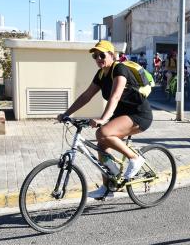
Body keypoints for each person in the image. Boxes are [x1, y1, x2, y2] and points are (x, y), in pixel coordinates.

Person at [57, 40, 152, 199]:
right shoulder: (101, 74)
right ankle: (108, 187)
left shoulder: (119, 69)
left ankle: (135, 159)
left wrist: (102, 119)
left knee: (103, 132)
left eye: (102, 54)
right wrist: (67, 114)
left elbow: (115, 97)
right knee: (101, 144)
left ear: (112, 55)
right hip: (121, 115)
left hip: (139, 114)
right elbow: (86, 96)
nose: (98, 58)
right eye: (95, 56)